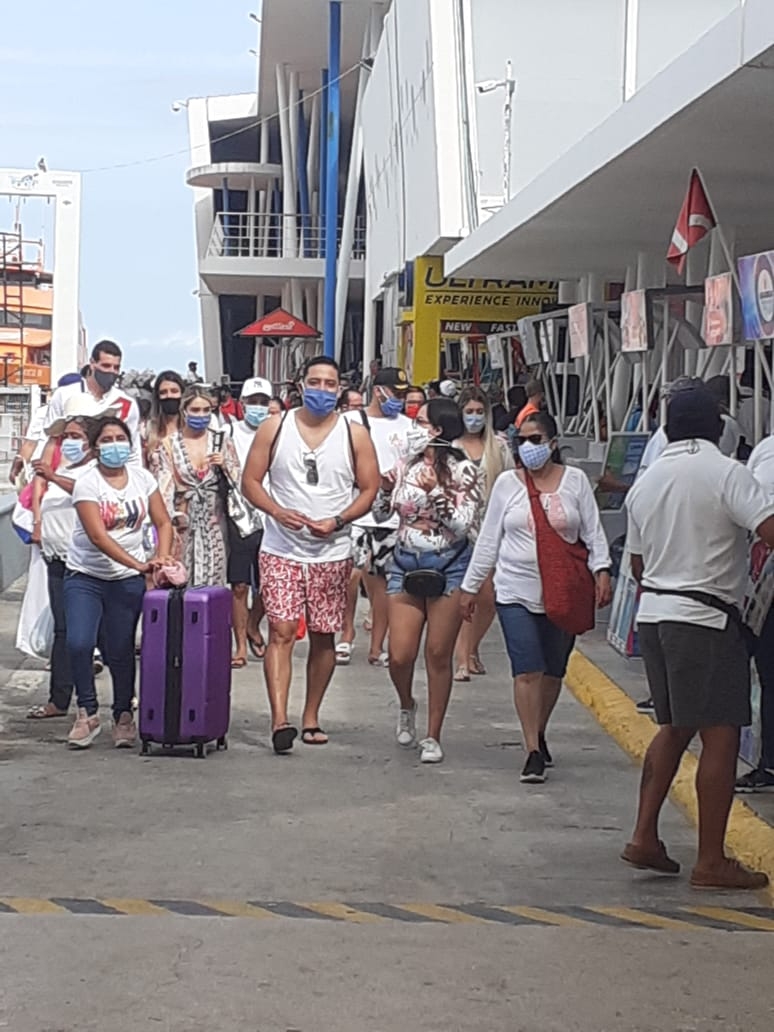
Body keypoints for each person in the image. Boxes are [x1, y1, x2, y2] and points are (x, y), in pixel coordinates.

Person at [622, 382, 774, 890]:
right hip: (707, 619)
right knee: (722, 732)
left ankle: (645, 835)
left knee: (675, 726)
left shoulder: (649, 480)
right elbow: (768, 529)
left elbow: (639, 563)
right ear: (718, 426)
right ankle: (711, 859)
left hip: (657, 615)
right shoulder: (727, 473)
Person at [460, 410, 612, 784]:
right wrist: (470, 586)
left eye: (536, 440)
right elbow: (490, 539)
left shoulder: (575, 482)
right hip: (515, 590)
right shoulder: (508, 486)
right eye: (522, 440)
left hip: (565, 592)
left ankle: (539, 729)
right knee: (527, 669)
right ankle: (531, 748)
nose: (529, 447)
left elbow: (592, 531)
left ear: (553, 443)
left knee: (553, 670)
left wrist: (602, 571)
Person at [242, 355, 379, 753]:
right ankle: (279, 719)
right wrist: (275, 511)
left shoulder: (354, 434)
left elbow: (369, 489)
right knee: (282, 631)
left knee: (323, 636)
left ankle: (311, 715)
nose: (321, 390)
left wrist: (338, 520)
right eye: (314, 382)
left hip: (332, 551)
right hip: (281, 547)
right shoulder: (275, 426)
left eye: (330, 383)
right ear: (300, 385)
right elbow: (250, 480)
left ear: (339, 389)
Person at [377, 398, 483, 764]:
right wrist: (384, 488)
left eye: (420, 422)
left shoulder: (464, 471)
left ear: (437, 430)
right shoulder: (404, 465)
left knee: (438, 653)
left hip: (450, 564)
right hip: (406, 562)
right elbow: (384, 513)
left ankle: (433, 734)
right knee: (399, 654)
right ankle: (407, 703)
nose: (413, 428)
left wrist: (435, 492)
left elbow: (462, 525)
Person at [64, 416, 174, 749]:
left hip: (127, 581)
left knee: (122, 648)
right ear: (95, 448)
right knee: (79, 643)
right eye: (107, 440)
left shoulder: (142, 479)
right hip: (85, 576)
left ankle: (123, 715)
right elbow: (97, 536)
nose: (115, 445)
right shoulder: (87, 483)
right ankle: (87, 711)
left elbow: (163, 522)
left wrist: (161, 558)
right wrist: (140, 564)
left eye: (120, 438)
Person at [26, 397, 100, 719]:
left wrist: (53, 477)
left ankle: (115, 700)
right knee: (63, 630)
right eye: (65, 436)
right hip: (57, 558)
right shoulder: (62, 466)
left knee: (95, 634)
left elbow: (84, 492)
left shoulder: (95, 471)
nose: (69, 442)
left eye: (76, 437)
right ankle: (59, 698)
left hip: (86, 561)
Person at [343, 367, 412, 666]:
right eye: (394, 393)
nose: (398, 399)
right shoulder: (349, 422)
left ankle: (377, 645)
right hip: (355, 511)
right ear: (378, 390)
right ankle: (345, 636)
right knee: (348, 576)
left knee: (382, 583)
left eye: (402, 394)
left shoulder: (410, 427)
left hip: (392, 518)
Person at [148, 386, 240, 587]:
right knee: (180, 581)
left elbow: (239, 481)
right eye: (196, 410)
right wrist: (168, 524)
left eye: (206, 410)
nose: (202, 415)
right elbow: (163, 490)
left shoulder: (221, 440)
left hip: (215, 522)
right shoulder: (169, 444)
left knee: (214, 582)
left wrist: (224, 465)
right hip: (182, 523)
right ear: (185, 411)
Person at [453, 386, 514, 681]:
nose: (474, 418)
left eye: (479, 412)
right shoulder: (451, 446)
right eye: (469, 412)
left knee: (489, 596)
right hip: (457, 532)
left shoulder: (499, 447)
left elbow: (512, 482)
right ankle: (462, 659)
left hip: (490, 529)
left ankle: (472, 648)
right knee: (467, 594)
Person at [228, 377, 272, 667]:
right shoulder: (228, 431)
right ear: (242, 404)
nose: (258, 407)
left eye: (263, 402)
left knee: (268, 584)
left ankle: (254, 624)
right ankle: (241, 643)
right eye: (252, 402)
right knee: (240, 585)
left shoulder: (277, 432)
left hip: (272, 513)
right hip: (238, 514)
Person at [43, 341, 141, 465]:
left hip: (107, 475)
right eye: (106, 366)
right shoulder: (64, 395)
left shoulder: (126, 404)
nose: (111, 372)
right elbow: (51, 438)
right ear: (92, 363)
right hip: (66, 470)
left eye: (116, 367)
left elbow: (132, 450)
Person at [145, 370, 185, 457]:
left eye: (174, 391)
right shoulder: (148, 428)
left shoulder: (192, 426)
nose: (169, 396)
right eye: (163, 392)